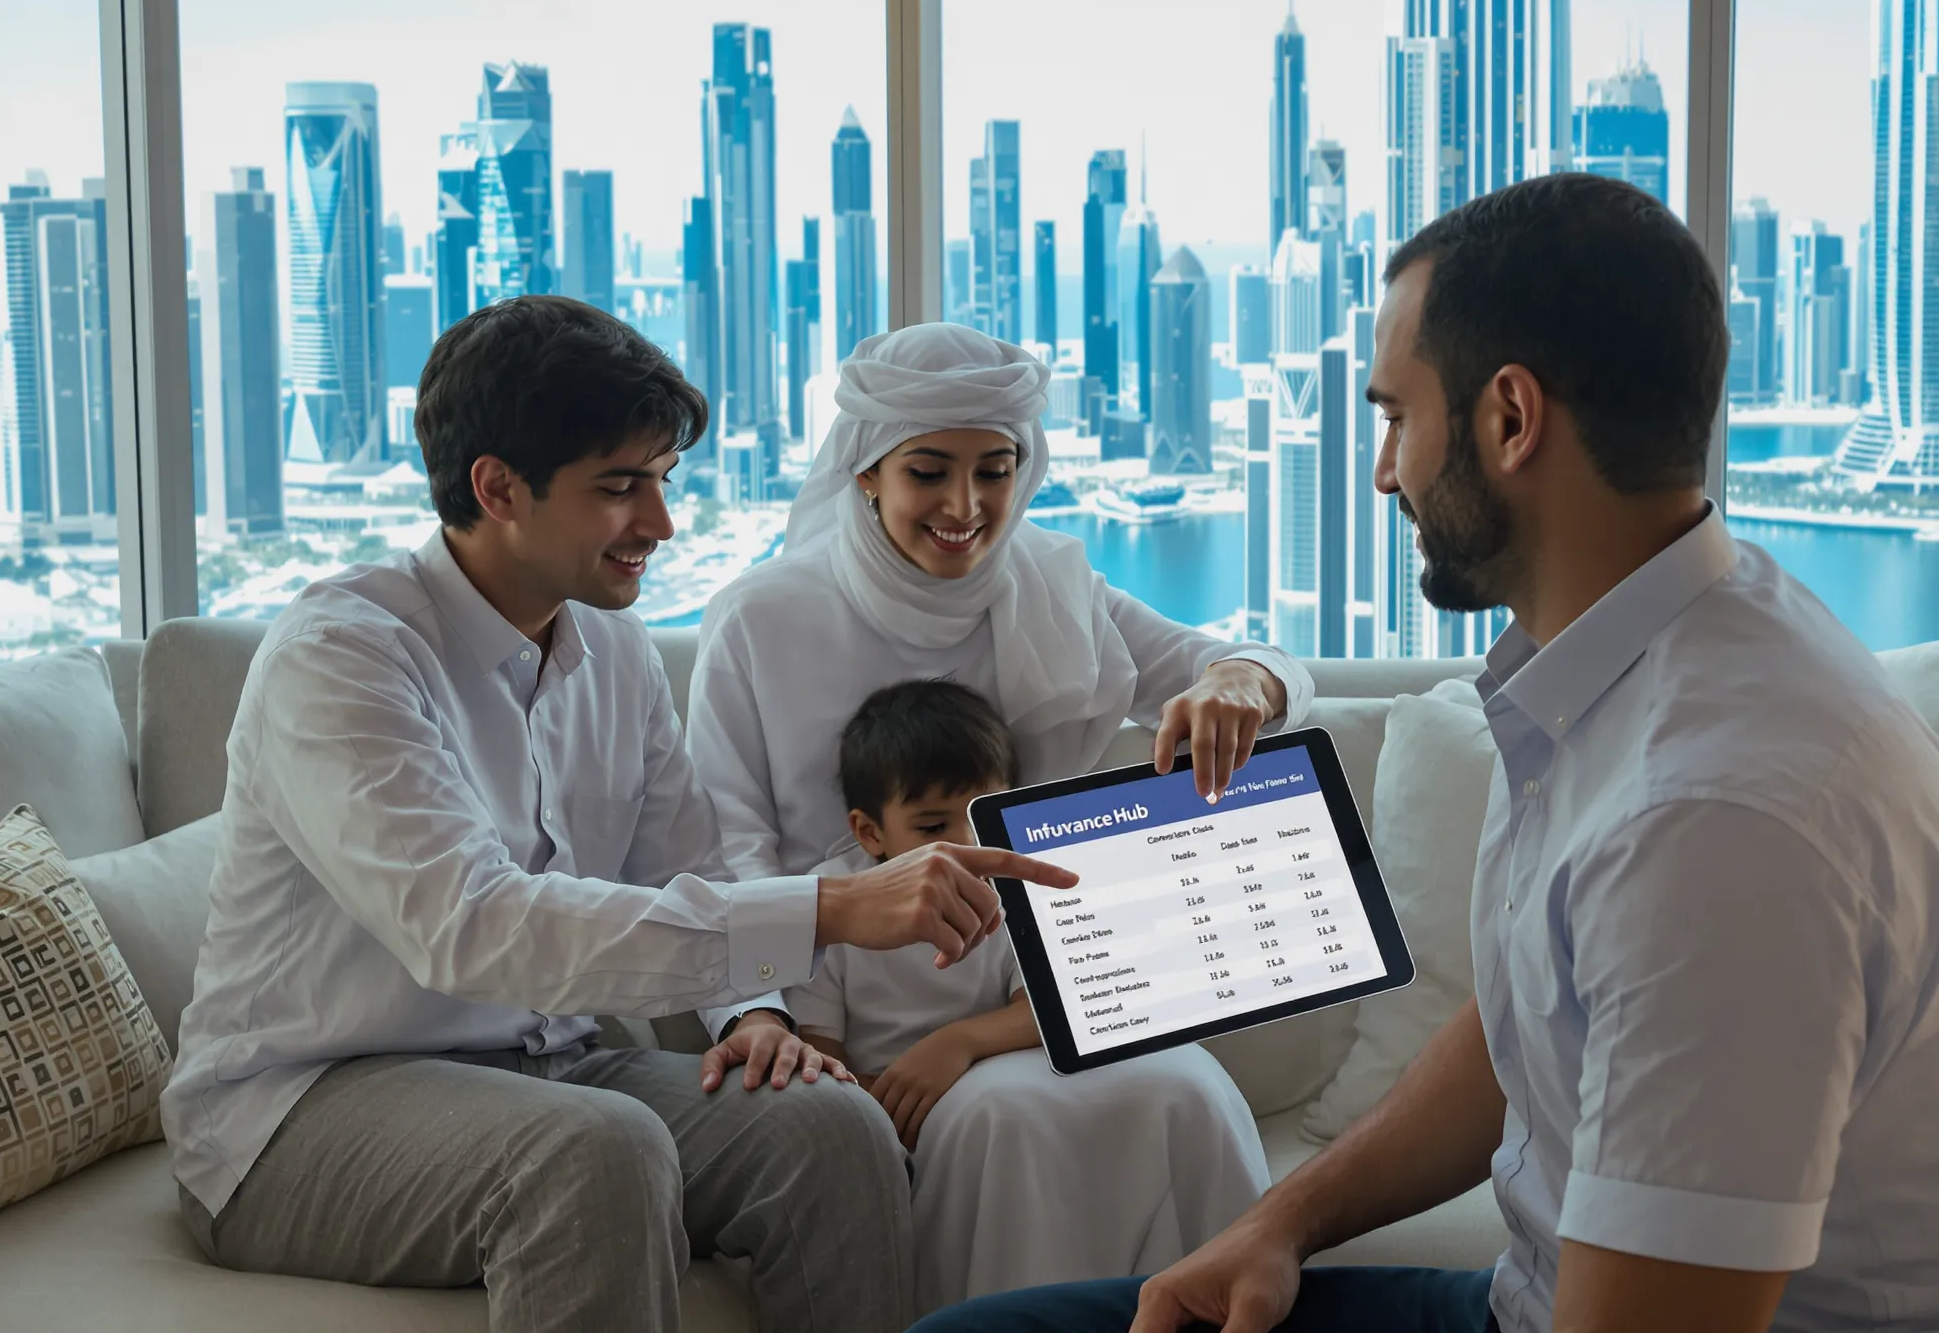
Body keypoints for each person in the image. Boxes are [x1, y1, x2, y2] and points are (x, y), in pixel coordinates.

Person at [915, 173, 1939, 1333]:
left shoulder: (1710, 820)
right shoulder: (1652, 655)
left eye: (1394, 417)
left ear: (1510, 418)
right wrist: (1279, 1223)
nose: (1383, 469)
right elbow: (1529, 1022)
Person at [160, 298, 1077, 1333]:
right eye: (620, 488)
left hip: (551, 1064)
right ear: (497, 487)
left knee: (830, 1124)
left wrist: (761, 1020)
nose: (661, 523)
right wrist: (832, 908)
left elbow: (689, 869)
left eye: (662, 482)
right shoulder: (343, 658)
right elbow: (470, 926)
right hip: (302, 1111)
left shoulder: (618, 655)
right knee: (594, 1151)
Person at [688, 322, 1292, 1305]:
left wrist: (1238, 682)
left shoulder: (1057, 589)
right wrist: (763, 1015)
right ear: (866, 473)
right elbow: (730, 848)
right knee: (1009, 1123)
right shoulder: (761, 618)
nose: (965, 507)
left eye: (995, 471)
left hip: (1045, 992)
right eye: (929, 471)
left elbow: (1256, 667)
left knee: (1188, 1089)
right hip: (854, 990)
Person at [790, 678, 1269, 1313]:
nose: (965, 842)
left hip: (1002, 1073)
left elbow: (1052, 1002)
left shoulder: (1016, 881)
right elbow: (818, 1049)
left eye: (981, 814)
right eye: (933, 824)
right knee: (1011, 1128)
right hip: (901, 1111)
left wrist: (956, 1044)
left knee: (1176, 1087)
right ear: (870, 832)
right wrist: (870, 1101)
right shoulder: (835, 902)